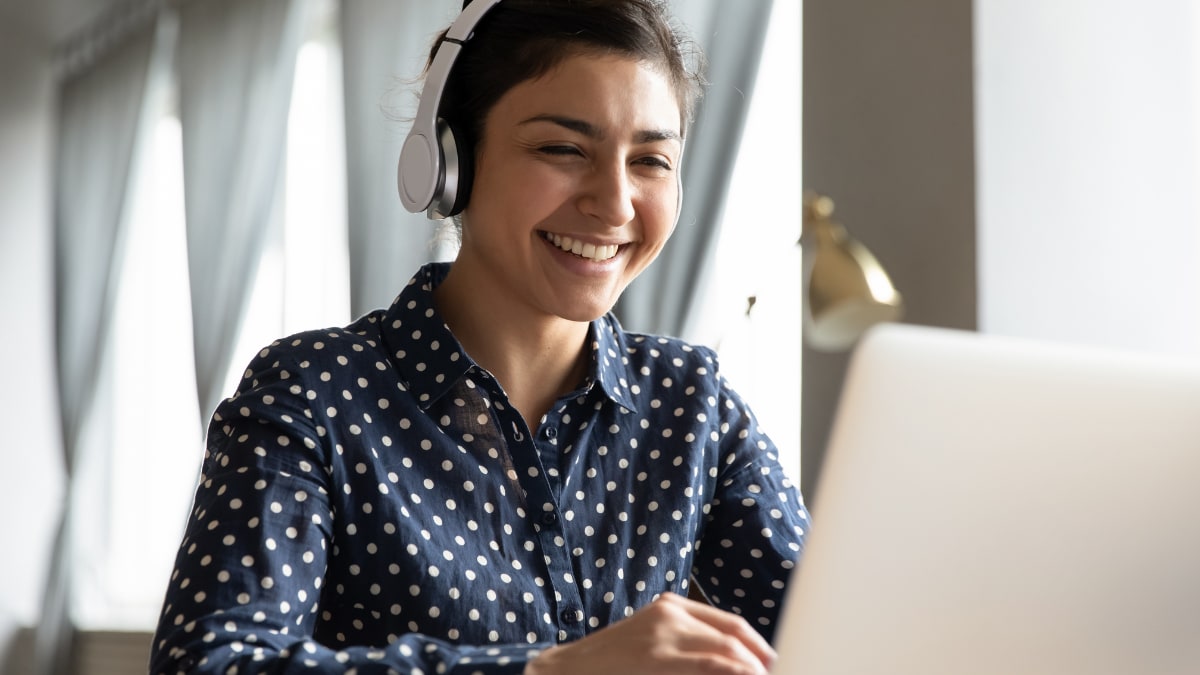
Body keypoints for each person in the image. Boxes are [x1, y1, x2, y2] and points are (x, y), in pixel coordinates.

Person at [149, 1, 809, 673]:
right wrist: (551, 670)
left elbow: (835, 624)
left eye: (651, 160)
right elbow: (210, 662)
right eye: (563, 149)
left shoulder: (692, 404)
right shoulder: (315, 393)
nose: (614, 202)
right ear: (450, 161)